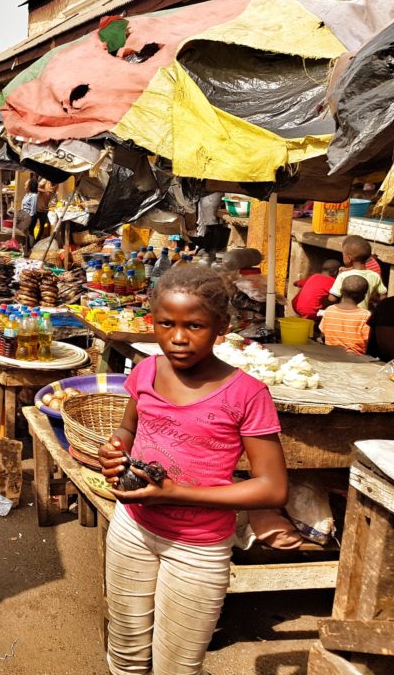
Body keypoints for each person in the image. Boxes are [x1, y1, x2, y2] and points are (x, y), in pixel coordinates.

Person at [98, 264, 288, 675]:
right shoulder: (146, 370)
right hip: (132, 529)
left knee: (176, 666)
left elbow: (272, 489)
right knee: (126, 652)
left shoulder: (247, 394)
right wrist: (115, 449)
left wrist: (174, 494)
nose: (179, 338)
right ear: (154, 322)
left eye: (196, 326)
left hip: (197, 549)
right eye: (166, 324)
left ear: (221, 326)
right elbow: (129, 427)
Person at [327, 235, 386, 310]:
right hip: (363, 314)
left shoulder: (343, 275)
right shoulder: (375, 275)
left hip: (344, 312)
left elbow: (332, 299)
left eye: (343, 254)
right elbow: (383, 295)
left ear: (349, 258)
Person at [320, 274, 371, 355]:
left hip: (330, 354)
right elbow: (368, 340)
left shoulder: (329, 310)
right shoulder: (365, 315)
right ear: (364, 296)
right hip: (356, 358)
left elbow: (323, 334)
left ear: (341, 291)